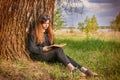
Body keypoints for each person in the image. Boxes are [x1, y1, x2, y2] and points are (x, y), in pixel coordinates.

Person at [26, 14, 98, 77]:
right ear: (39, 23)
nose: (46, 26)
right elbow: (31, 48)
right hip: (38, 55)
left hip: (47, 54)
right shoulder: (33, 33)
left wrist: (53, 46)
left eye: (48, 23)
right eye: (44, 23)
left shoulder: (48, 33)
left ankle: (84, 69)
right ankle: (73, 70)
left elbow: (51, 45)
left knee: (64, 56)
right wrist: (42, 49)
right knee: (58, 51)